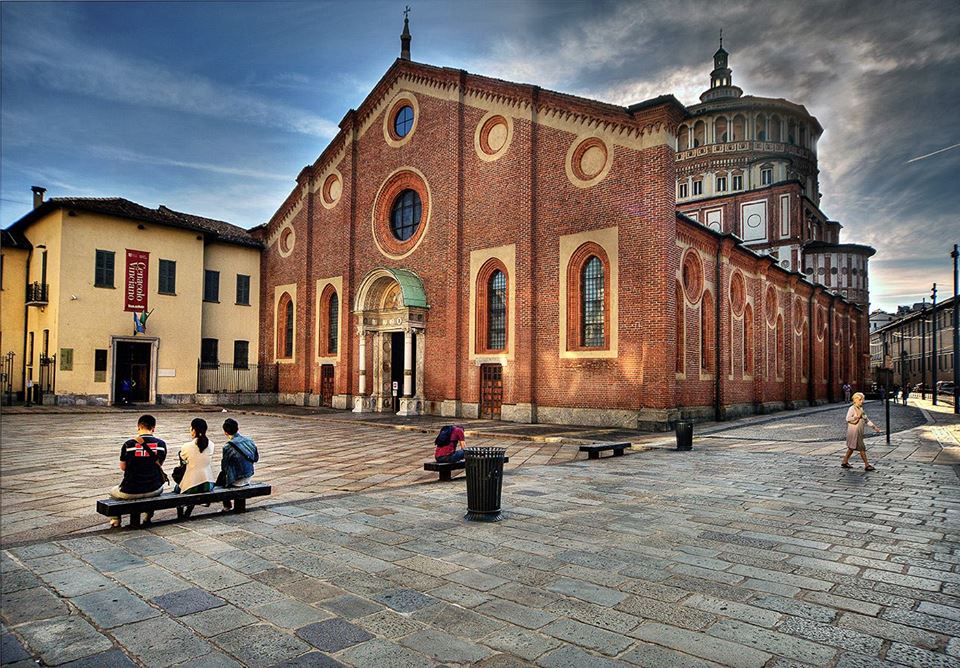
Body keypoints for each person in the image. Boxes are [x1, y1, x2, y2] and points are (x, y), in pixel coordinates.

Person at [109, 414, 167, 526]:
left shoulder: (128, 444)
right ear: (153, 428)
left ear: (138, 427)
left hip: (130, 490)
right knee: (155, 490)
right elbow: (159, 464)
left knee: (112, 492)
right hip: (154, 488)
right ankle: (148, 516)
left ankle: (116, 519)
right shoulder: (161, 444)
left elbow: (123, 467)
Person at [175, 418, 216, 518]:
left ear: (193, 430)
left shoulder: (186, 446)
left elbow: (183, 460)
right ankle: (188, 511)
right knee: (193, 481)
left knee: (178, 488)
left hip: (192, 485)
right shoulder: (211, 445)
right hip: (208, 484)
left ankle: (180, 515)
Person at [218, 418, 258, 510]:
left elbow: (224, 467)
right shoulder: (250, 440)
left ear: (225, 432)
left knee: (222, 478)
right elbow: (256, 458)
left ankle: (227, 505)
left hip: (238, 479)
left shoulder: (227, 447)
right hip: (249, 475)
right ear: (237, 428)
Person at [841, 392, 881, 471]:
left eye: (862, 399)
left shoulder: (861, 409)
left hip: (859, 432)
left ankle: (845, 461)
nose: (862, 401)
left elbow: (866, 420)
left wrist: (874, 427)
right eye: (860, 399)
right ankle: (867, 465)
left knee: (851, 448)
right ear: (855, 400)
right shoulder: (852, 408)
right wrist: (856, 417)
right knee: (862, 448)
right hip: (854, 432)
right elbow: (848, 418)